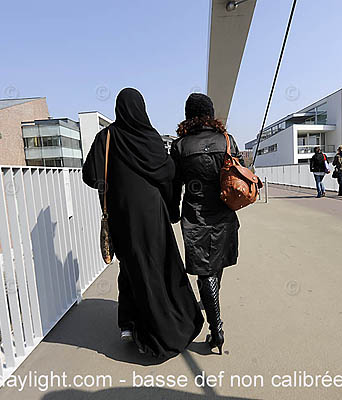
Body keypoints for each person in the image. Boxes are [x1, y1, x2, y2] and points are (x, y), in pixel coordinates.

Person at [82, 88, 203, 358]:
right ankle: (166, 325)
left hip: (122, 216)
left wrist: (113, 182)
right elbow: (168, 172)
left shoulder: (107, 137)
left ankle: (129, 323)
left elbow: (90, 175)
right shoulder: (150, 138)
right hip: (152, 215)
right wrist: (171, 205)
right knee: (157, 265)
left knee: (132, 266)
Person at [169, 93, 244, 354]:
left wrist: (172, 212)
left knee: (205, 270)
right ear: (211, 114)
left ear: (189, 115)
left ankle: (217, 329)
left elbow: (174, 185)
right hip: (224, 211)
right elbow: (239, 172)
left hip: (195, 214)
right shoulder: (226, 140)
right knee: (216, 264)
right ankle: (214, 315)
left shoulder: (179, 146)